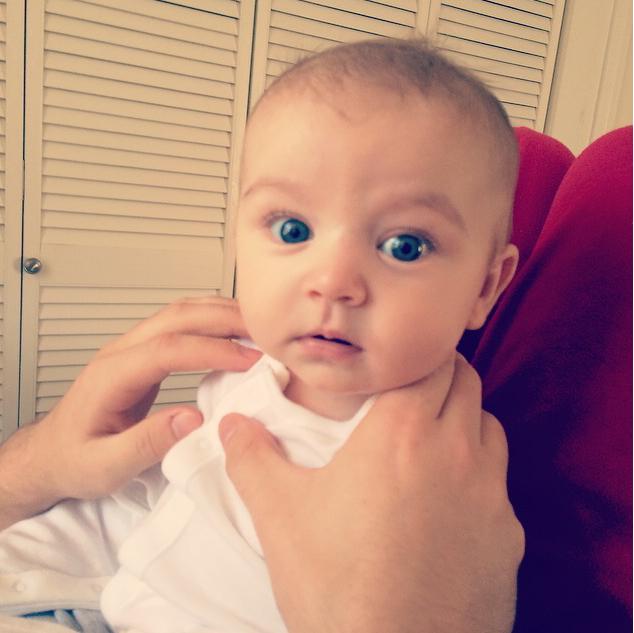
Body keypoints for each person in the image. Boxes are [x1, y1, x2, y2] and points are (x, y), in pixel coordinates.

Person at [0, 39, 525, 633]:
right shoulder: (246, 365)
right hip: (104, 590)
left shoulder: (434, 470)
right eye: (292, 229)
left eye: (405, 246)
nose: (332, 282)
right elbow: (177, 494)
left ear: (485, 287)